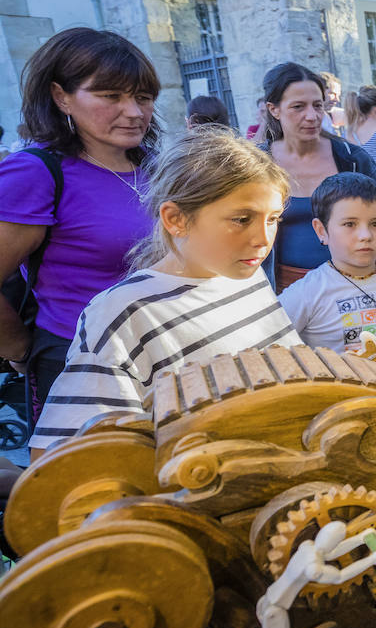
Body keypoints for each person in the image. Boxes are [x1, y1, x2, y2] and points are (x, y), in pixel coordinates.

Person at [30, 127, 300, 452]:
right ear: (176, 219)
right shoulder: (123, 313)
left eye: (272, 219)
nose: (263, 238)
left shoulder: (249, 278)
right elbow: (61, 456)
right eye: (242, 219)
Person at [0, 27, 161, 428]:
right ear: (61, 97)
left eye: (143, 97)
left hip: (164, 357)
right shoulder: (35, 173)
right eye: (111, 96)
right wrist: (21, 349)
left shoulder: (156, 166)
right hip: (84, 369)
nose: (134, 111)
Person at [259, 63, 376, 292]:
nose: (312, 116)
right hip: (282, 288)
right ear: (274, 109)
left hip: (352, 284)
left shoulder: (352, 159)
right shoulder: (256, 164)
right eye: (298, 107)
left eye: (318, 105)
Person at [279, 173, 376, 359]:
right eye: (350, 224)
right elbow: (273, 350)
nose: (365, 235)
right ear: (321, 231)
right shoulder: (306, 294)